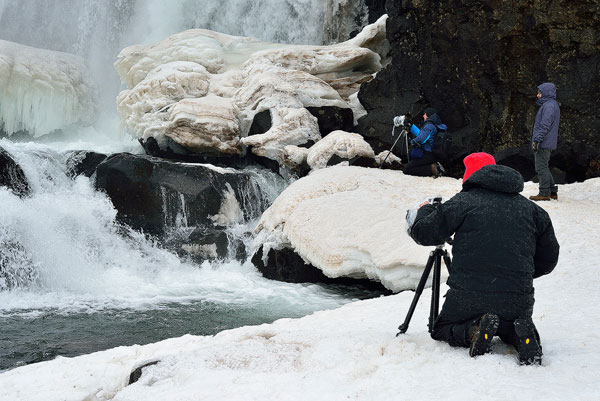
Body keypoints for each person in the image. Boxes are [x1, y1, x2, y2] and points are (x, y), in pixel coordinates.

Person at [407, 152, 559, 365]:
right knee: (511, 321)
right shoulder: (534, 211)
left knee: (441, 328)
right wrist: (518, 273)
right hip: (517, 298)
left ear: (471, 178)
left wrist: (427, 211)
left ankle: (473, 331)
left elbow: (425, 233)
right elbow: (550, 258)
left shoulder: (464, 202)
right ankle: (518, 334)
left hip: (468, 297)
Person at [530, 82, 560, 201]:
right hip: (547, 141)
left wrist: (537, 139)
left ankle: (544, 192)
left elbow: (544, 125)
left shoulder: (548, 106)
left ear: (546, 93)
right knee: (544, 166)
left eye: (540, 93)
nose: (537, 95)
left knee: (541, 167)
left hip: (543, 142)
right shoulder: (551, 105)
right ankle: (552, 191)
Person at [401, 107, 447, 177]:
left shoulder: (429, 126)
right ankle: (433, 166)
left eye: (424, 114)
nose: (423, 116)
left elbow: (421, 139)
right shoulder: (433, 124)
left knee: (407, 169)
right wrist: (411, 126)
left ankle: (434, 169)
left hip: (428, 154)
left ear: (428, 115)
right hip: (432, 154)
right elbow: (422, 134)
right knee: (411, 165)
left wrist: (411, 142)